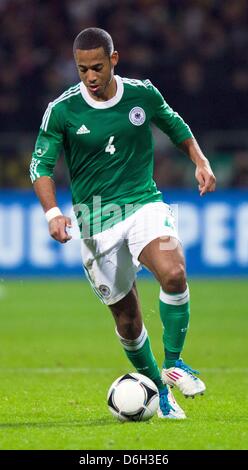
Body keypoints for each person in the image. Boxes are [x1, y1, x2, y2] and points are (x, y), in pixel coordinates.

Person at [30, 28, 216, 419]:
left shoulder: (141, 94)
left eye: (97, 67)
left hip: (143, 204)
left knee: (174, 272)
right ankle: (162, 395)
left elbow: (174, 125)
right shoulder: (61, 110)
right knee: (128, 321)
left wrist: (200, 161)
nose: (90, 77)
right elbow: (41, 166)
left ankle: (177, 362)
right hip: (95, 220)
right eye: (82, 70)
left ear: (114, 60)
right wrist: (52, 213)